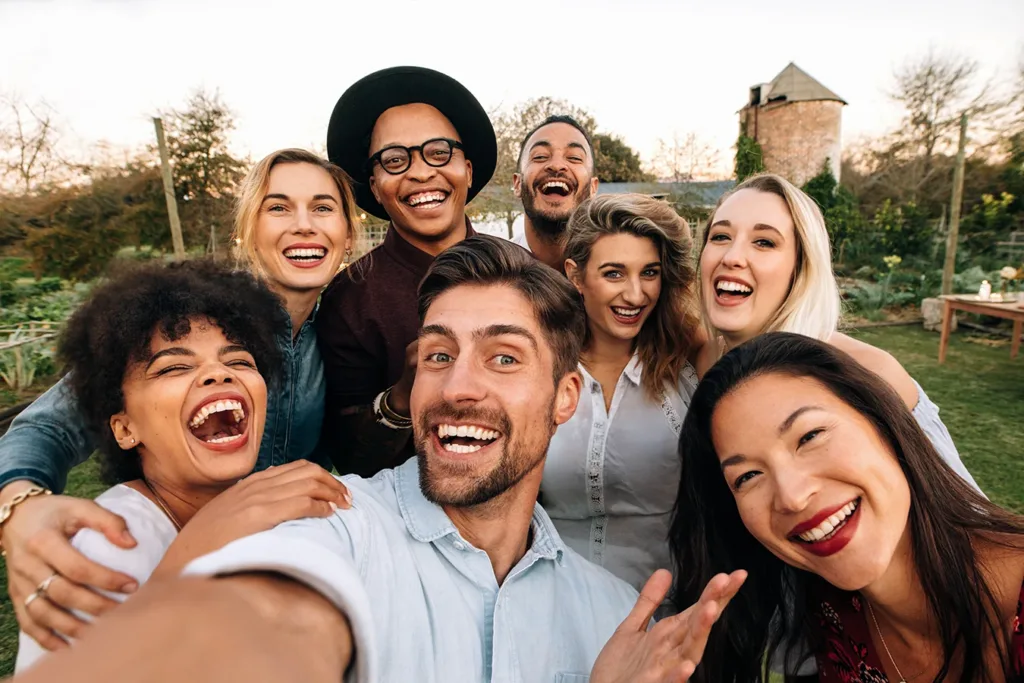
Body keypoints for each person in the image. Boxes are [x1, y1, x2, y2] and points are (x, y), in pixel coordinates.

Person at [18, 236, 748, 683]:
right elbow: (265, 617)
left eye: (502, 356)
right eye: (437, 354)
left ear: (565, 397)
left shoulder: (616, 618)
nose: (457, 385)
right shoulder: (330, 525)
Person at [0, 148, 357, 650]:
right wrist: (18, 506)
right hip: (164, 553)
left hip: (267, 581)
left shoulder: (336, 338)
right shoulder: (191, 319)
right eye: (278, 207)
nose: (304, 224)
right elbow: (50, 425)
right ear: (248, 229)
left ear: (347, 231)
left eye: (322, 207)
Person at [670, 332, 1024, 682]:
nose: (792, 497)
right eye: (747, 476)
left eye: (810, 436)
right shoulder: (834, 621)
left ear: (884, 423)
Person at [695, 172, 981, 492]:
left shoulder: (867, 373)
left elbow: (968, 519)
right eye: (720, 237)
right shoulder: (703, 362)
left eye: (764, 242)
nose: (732, 257)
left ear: (801, 267)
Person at [317, 66, 497, 477]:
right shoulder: (350, 297)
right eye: (395, 160)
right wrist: (401, 396)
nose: (420, 172)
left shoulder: (524, 274)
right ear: (375, 186)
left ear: (467, 170)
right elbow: (347, 455)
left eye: (439, 152)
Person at [540, 194, 701, 595]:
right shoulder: (542, 371)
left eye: (649, 273)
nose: (635, 294)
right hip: (553, 608)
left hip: (665, 612)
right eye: (614, 274)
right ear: (576, 276)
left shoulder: (688, 368)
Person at [510, 114, 600, 271]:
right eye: (540, 156)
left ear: (593, 188)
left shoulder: (614, 272)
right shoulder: (490, 274)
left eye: (574, 157)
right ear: (517, 184)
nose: (557, 165)